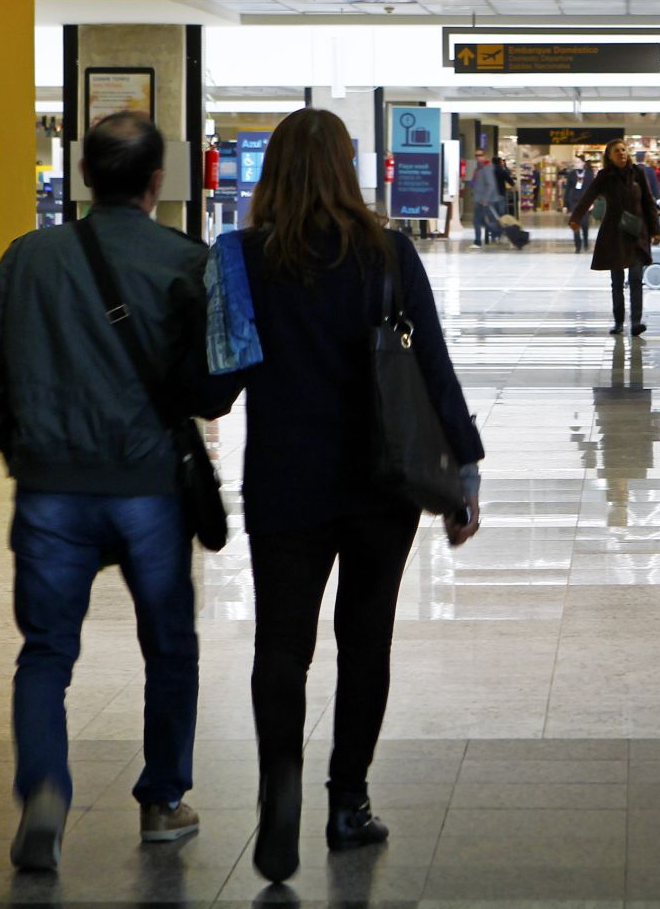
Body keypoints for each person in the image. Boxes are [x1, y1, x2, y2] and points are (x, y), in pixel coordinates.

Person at [205, 109, 483, 883]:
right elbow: (432, 365)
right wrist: (464, 471)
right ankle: (347, 802)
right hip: (380, 483)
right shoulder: (388, 253)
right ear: (347, 169)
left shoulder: (242, 258)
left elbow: (214, 388)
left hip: (285, 482)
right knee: (365, 642)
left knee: (281, 647)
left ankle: (280, 799)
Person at [0, 112, 219, 871]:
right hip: (148, 488)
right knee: (169, 647)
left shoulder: (27, 258)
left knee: (46, 652)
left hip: (52, 490)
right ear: (156, 181)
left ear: (82, 177)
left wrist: (24, 448)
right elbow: (211, 391)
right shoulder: (185, 261)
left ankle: (44, 789)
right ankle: (163, 800)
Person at [572, 138, 660, 336]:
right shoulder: (605, 176)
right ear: (610, 157)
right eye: (617, 151)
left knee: (636, 277)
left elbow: (648, 201)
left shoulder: (638, 173)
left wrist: (656, 230)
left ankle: (636, 321)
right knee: (617, 280)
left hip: (637, 232)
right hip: (614, 233)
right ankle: (619, 322)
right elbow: (588, 195)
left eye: (624, 150)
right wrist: (576, 218)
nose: (622, 153)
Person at [469, 150, 504, 245]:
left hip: (485, 200)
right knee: (481, 220)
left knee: (478, 220)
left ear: (485, 156)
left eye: (480, 155)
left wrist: (486, 198)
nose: (478, 157)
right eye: (476, 155)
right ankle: (497, 231)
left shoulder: (487, 168)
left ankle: (478, 240)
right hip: (479, 199)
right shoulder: (478, 169)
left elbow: (491, 185)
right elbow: (475, 183)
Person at [561, 154, 593, 253]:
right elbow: (567, 190)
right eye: (574, 162)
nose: (575, 164)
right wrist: (565, 205)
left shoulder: (589, 174)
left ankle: (586, 242)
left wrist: (592, 202)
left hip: (586, 203)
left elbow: (593, 190)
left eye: (578, 162)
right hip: (574, 202)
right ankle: (577, 245)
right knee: (575, 223)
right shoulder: (571, 174)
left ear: (583, 163)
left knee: (585, 224)